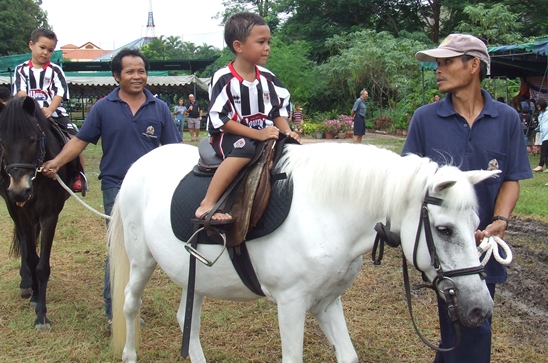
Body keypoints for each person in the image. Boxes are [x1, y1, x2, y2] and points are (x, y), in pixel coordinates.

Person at [408, 33, 533, 363]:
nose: (439, 69)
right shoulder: (424, 118)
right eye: (438, 63)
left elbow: (512, 177)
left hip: (482, 248)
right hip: (445, 247)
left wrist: (501, 220)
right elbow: (408, 180)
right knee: (462, 328)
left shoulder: (506, 119)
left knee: (470, 326)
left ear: (474, 65)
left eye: (447, 62)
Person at [41, 48, 182, 325]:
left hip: (154, 190)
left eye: (141, 70)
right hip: (116, 187)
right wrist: (56, 162)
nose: (137, 76)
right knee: (122, 248)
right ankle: (114, 310)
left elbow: (174, 148)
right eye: (129, 71)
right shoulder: (103, 107)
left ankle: (129, 303)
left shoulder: (160, 108)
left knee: (148, 248)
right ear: (117, 75)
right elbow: (80, 141)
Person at [194, 12, 300, 222]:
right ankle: (207, 203)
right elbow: (221, 120)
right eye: (261, 42)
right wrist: (257, 134)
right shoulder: (223, 78)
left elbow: (278, 110)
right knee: (245, 149)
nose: (267, 47)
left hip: (262, 133)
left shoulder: (268, 78)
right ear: (238, 46)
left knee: (292, 150)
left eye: (268, 42)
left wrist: (287, 131)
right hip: (229, 137)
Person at [13, 28, 85, 192]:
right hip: (28, 113)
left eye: (50, 50)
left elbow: (60, 93)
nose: (45, 53)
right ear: (31, 45)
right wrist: (33, 109)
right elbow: (21, 92)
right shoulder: (21, 70)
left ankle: (78, 174)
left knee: (76, 137)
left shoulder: (55, 70)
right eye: (42, 47)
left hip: (54, 113)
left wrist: (50, 109)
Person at [532, 98, 548, 172]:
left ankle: (540, 165)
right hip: (543, 133)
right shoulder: (541, 113)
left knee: (544, 149)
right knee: (546, 150)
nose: (538, 108)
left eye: (539, 106)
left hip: (547, 134)